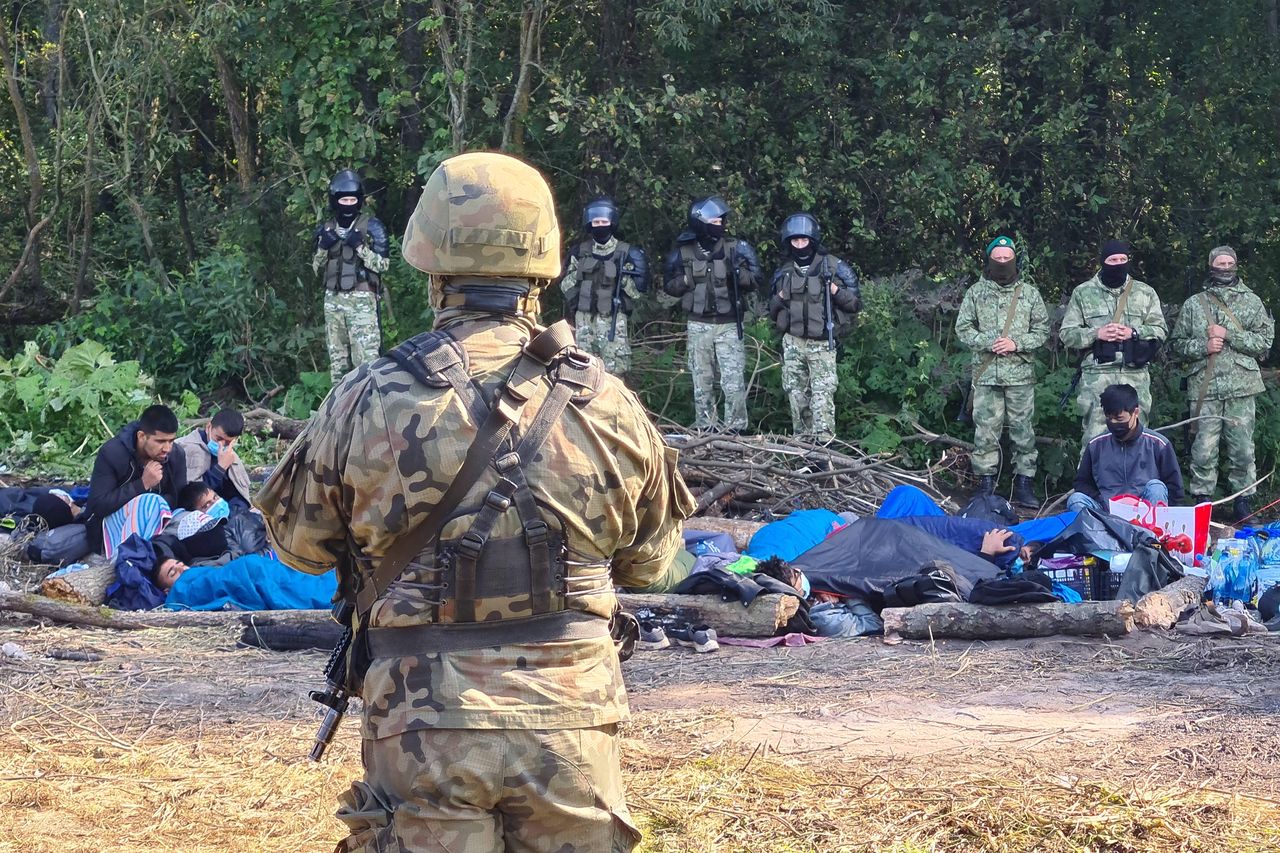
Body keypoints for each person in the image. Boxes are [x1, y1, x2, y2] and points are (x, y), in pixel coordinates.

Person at [256, 151, 693, 852]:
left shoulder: (368, 395)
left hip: (425, 727)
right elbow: (653, 565)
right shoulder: (608, 402)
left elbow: (299, 549)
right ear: (542, 264)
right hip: (572, 724)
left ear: (431, 265)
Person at [1170, 245, 1275, 521]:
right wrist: (1203, 346)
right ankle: (1203, 502)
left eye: (1229, 263)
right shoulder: (1194, 304)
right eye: (1220, 263)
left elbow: (1264, 343)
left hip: (1242, 388)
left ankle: (1243, 502)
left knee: (1242, 449)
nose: (1225, 268)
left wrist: (1228, 334)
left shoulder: (1252, 302)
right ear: (1210, 266)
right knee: (1203, 449)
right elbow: (1176, 345)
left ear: (1236, 265)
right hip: (1205, 388)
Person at [955, 235, 1050, 506]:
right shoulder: (976, 292)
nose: (1002, 263)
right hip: (986, 376)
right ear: (989, 261)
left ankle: (1024, 485)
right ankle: (985, 488)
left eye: (1007, 258)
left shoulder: (1030, 294)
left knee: (1023, 431)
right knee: (985, 432)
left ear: (1015, 260)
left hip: (1020, 375)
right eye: (997, 258)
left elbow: (1042, 330)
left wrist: (1016, 343)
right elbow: (963, 327)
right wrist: (988, 342)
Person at [662, 195, 762, 431]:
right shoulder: (683, 252)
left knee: (733, 382)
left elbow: (756, 280)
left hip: (729, 325)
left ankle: (735, 432)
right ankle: (706, 430)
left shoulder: (736, 249)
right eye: (715, 221)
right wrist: (688, 279)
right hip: (698, 325)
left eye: (721, 221)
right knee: (701, 381)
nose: (720, 225)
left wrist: (737, 273)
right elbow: (669, 287)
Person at [1058, 239, 1167, 446]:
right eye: (1113, 259)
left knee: (1137, 437)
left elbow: (1160, 330)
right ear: (1103, 262)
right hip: (1098, 375)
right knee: (1095, 439)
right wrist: (1097, 333)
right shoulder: (1083, 292)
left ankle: (1135, 479)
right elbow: (1067, 334)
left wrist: (1133, 332)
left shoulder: (1145, 292)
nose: (1118, 263)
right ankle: (1093, 479)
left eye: (1123, 259)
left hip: (1135, 373)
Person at [767, 212, 861, 442]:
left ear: (813, 239)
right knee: (796, 395)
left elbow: (855, 304)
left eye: (804, 240)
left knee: (822, 397)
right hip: (793, 343)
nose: (799, 245)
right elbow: (771, 309)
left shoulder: (834, 267)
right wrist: (780, 296)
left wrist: (836, 292)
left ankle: (824, 448)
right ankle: (803, 447)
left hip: (822, 343)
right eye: (795, 240)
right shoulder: (785, 272)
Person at [312, 169, 391, 384]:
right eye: (344, 199)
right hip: (333, 302)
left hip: (362, 301)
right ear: (335, 200)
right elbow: (315, 269)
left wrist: (360, 247)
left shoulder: (372, 227)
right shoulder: (325, 230)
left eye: (352, 199)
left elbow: (383, 265)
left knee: (367, 363)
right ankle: (339, 413)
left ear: (359, 200)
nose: (348, 203)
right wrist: (322, 247)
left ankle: (369, 410)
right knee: (338, 363)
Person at [558, 197, 649, 375]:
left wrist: (621, 278)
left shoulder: (627, 253)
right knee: (583, 372)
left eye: (604, 221)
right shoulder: (579, 252)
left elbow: (637, 293)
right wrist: (580, 275)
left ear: (612, 222)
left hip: (613, 322)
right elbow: (564, 286)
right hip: (584, 322)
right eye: (596, 221)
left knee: (615, 375)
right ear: (590, 223)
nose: (600, 225)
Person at [84, 404, 189, 558]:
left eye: (171, 441)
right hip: (111, 527)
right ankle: (131, 560)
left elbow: (180, 498)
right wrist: (143, 484)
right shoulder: (112, 453)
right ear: (141, 436)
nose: (167, 448)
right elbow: (98, 505)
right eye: (160, 441)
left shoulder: (176, 454)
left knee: (201, 520)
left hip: (163, 519)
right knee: (150, 502)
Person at [1066, 384, 1184, 513]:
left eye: (1119, 418)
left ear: (1135, 413)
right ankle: (1097, 533)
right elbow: (1082, 483)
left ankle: (1153, 532)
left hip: (1145, 512)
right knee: (1076, 500)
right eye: (1109, 418)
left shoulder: (1158, 444)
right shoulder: (1095, 445)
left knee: (1157, 488)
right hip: (1107, 511)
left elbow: (1175, 488)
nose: (1114, 423)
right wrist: (1101, 499)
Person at [174, 409, 251, 513]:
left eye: (228, 442)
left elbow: (240, 494)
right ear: (209, 427)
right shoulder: (185, 448)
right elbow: (188, 496)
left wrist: (234, 512)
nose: (221, 445)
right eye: (218, 439)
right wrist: (220, 468)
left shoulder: (231, 455)